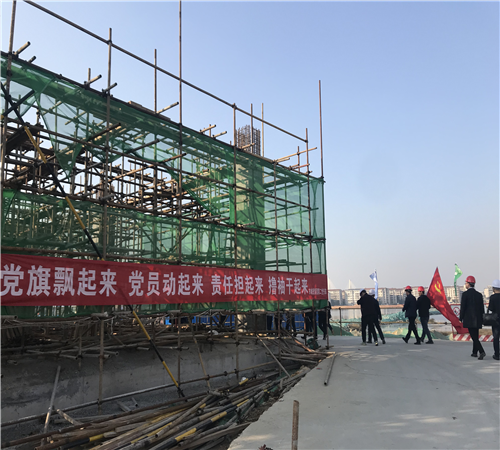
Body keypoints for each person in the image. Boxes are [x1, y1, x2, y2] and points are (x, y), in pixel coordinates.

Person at [459, 275, 486, 360]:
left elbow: (463, 307)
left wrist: (460, 318)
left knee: (474, 337)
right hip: (478, 318)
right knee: (475, 335)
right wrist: (482, 318)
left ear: (468, 284)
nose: (465, 284)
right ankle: (474, 352)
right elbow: (482, 308)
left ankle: (481, 351)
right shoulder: (479, 295)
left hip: (469, 318)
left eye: (466, 283)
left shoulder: (465, 294)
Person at [487, 279, 500, 361]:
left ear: (493, 288)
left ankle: (497, 354)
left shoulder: (492, 297)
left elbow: (491, 308)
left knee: (496, 337)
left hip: (495, 320)